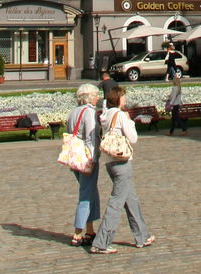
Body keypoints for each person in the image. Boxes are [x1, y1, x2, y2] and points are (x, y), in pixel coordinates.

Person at [90, 85, 155, 253]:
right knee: (116, 202)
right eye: (124, 97)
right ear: (118, 99)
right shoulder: (120, 115)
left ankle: (142, 235)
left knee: (130, 199)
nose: (125, 100)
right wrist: (130, 121)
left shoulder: (106, 114)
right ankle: (101, 242)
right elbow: (133, 138)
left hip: (110, 162)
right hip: (122, 162)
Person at [65, 84, 102, 246]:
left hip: (74, 157)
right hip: (86, 158)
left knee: (91, 191)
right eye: (96, 95)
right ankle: (78, 232)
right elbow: (91, 137)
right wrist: (92, 159)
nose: (98, 98)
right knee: (86, 194)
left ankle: (90, 229)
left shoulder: (73, 112)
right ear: (89, 97)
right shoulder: (89, 112)